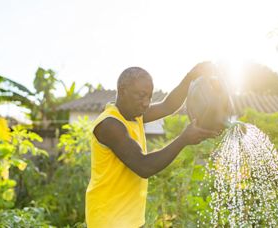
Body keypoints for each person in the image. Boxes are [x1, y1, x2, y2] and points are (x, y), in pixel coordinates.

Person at [85, 62, 220, 228]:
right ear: (122, 90)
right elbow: (144, 167)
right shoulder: (110, 125)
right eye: (141, 95)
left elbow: (168, 106)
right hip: (108, 219)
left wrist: (190, 76)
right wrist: (183, 139)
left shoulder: (134, 115)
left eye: (149, 96)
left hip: (131, 219)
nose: (146, 103)